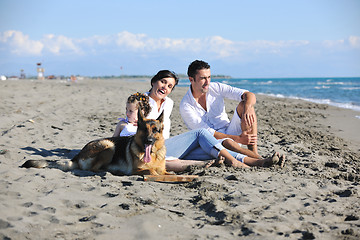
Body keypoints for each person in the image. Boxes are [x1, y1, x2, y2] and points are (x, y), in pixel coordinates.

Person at [113, 70, 285, 171]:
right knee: (202, 134)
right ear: (153, 82)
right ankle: (235, 162)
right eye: (162, 82)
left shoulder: (169, 103)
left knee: (212, 150)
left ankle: (259, 162)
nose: (164, 87)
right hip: (150, 149)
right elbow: (127, 119)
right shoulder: (142, 100)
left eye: (169, 86)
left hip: (167, 146)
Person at [180, 60, 259, 157]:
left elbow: (249, 94)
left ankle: (254, 152)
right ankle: (258, 159)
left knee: (246, 105)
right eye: (203, 78)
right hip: (210, 141)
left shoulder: (216, 87)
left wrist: (247, 108)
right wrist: (238, 139)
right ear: (191, 79)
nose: (207, 82)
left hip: (229, 131)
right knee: (227, 142)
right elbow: (208, 133)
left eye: (209, 77)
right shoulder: (186, 106)